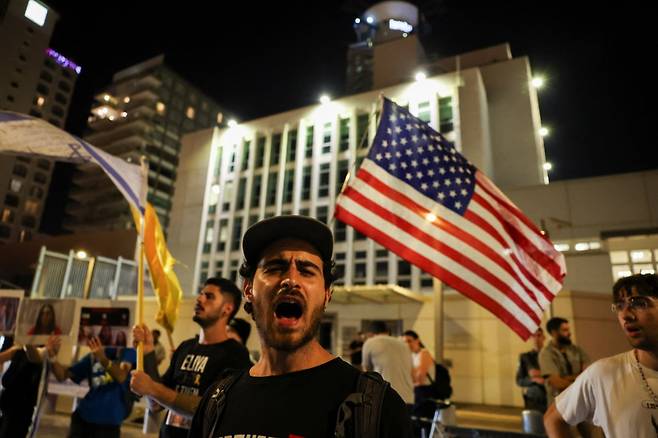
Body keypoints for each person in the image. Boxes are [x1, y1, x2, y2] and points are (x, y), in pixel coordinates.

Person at [188, 215, 412, 437]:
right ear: (248, 290)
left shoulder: (375, 408)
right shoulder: (216, 402)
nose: (291, 280)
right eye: (275, 267)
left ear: (326, 294)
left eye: (306, 270)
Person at [130, 277, 251, 438]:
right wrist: (148, 352)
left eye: (209, 296)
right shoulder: (185, 347)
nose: (200, 298)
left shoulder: (235, 354)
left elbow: (210, 409)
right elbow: (157, 404)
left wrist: (152, 388)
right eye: (201, 293)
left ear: (226, 309)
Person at [545, 274, 658, 437]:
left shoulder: (576, 351)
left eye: (639, 303)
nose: (626, 315)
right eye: (619, 306)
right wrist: (576, 378)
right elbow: (553, 415)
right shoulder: (603, 373)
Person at [48, 336, 136, 438]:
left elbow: (121, 376)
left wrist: (103, 359)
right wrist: (52, 356)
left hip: (108, 425)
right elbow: (62, 375)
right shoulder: (93, 356)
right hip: (83, 419)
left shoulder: (128, 352)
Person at [363, 321, 415, 409]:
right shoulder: (404, 345)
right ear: (387, 331)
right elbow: (412, 371)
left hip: (385, 396)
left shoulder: (370, 342)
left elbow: (367, 371)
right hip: (407, 397)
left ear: (370, 334)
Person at [539, 317, 589, 404]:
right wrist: (578, 381)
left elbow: (588, 374)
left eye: (568, 329)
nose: (569, 333)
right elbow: (556, 382)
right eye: (565, 330)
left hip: (580, 402)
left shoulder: (576, 350)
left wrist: (564, 378)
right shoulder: (546, 353)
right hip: (559, 403)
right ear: (554, 333)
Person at [516, 328, 548, 413]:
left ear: (544, 337)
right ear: (530, 338)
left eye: (539, 335)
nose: (536, 339)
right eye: (534, 336)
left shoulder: (550, 356)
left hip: (550, 395)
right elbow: (519, 381)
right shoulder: (525, 357)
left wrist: (540, 374)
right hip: (534, 398)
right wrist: (534, 379)